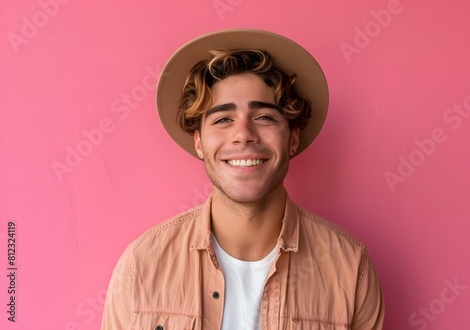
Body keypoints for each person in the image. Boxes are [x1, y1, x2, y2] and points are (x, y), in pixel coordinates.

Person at [102, 29, 384, 330]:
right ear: (199, 142)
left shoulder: (351, 269)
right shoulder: (142, 265)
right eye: (223, 119)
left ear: (292, 139)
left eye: (264, 117)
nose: (244, 134)